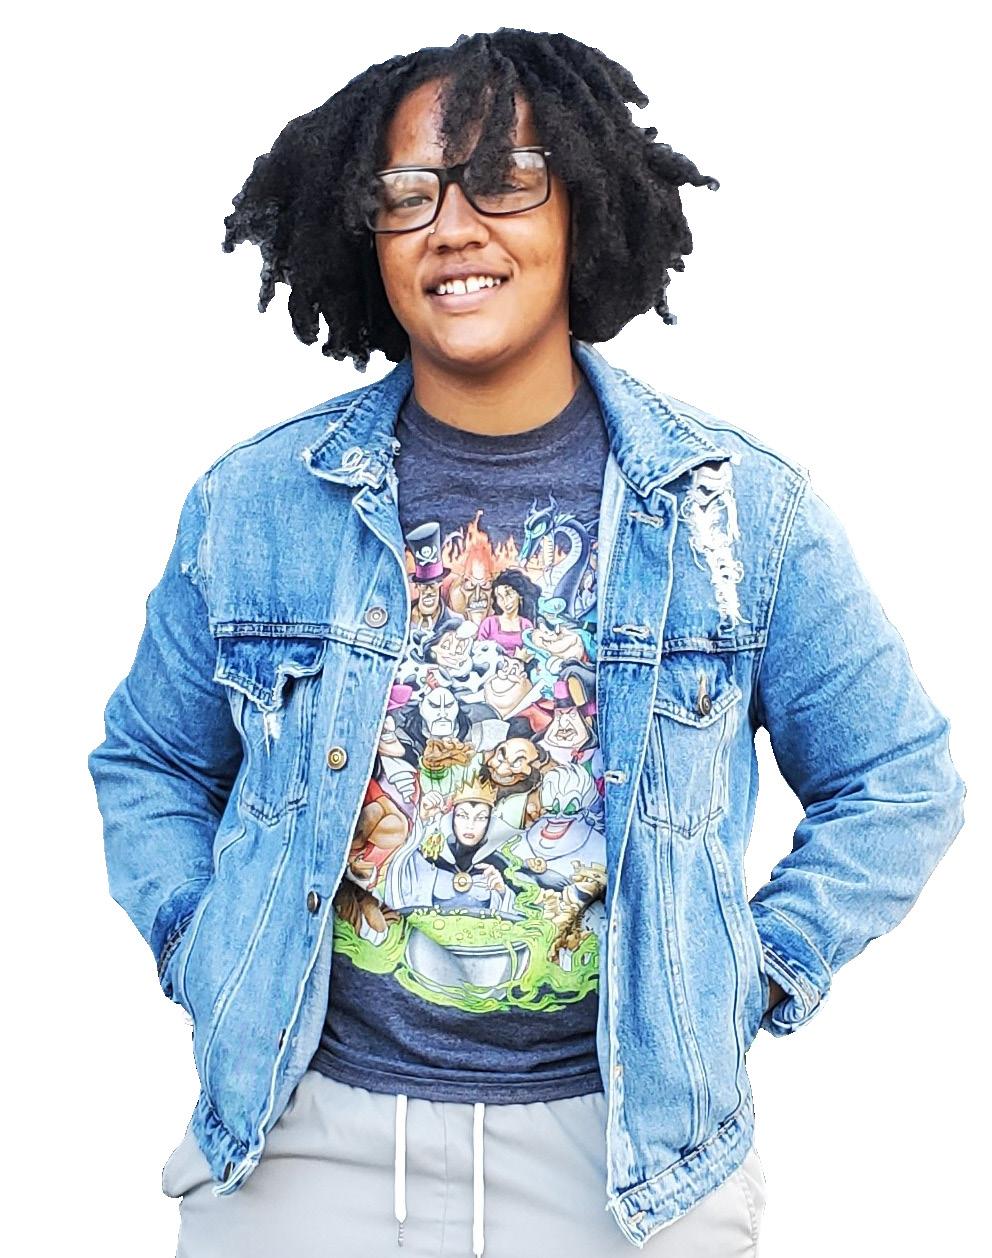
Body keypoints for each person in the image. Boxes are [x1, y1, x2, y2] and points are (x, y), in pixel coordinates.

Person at [87, 27, 967, 1258]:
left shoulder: (731, 512)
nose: (453, 227)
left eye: (501, 181)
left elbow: (897, 778)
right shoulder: (257, 503)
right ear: (366, 232)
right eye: (408, 192)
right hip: (301, 1139)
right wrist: (201, 945)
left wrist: (748, 973)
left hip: (631, 1160)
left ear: (582, 206)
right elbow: (151, 761)